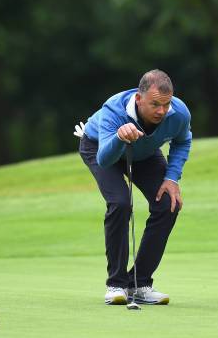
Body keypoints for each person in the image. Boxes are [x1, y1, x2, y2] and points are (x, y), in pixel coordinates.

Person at [75, 69, 192, 306]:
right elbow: (105, 160)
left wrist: (172, 178)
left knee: (168, 204)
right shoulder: (114, 110)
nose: (162, 111)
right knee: (120, 203)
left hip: (144, 152)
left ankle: (139, 283)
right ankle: (116, 284)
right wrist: (119, 138)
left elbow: (182, 140)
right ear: (139, 99)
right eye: (155, 104)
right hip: (102, 147)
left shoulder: (178, 112)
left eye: (166, 104)